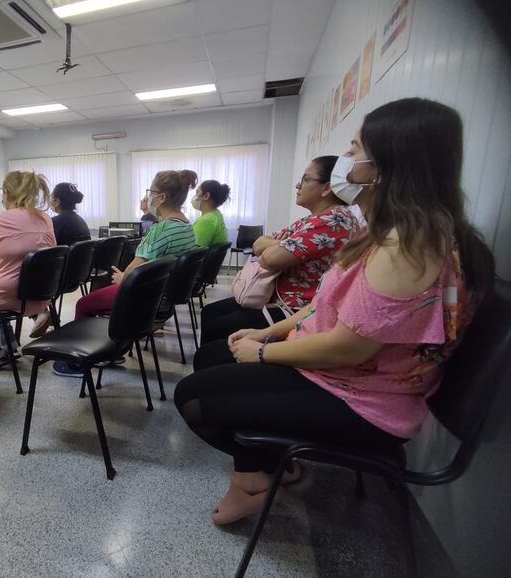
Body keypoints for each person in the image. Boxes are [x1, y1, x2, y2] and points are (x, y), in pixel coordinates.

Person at [174, 98, 494, 526]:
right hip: (341, 374)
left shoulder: (409, 248)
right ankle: (271, 466)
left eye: (354, 148)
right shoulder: (393, 233)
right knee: (216, 355)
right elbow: (323, 304)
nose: (345, 160)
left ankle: (254, 478)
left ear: (387, 163)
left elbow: (348, 347)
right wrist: (265, 335)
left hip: (364, 400)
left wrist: (265, 352)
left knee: (194, 396)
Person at [53, 169, 199, 377]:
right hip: (162, 298)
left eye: (151, 192)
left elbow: (131, 274)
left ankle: (77, 362)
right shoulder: (186, 226)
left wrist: (122, 277)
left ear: (162, 197)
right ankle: (113, 350)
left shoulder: (161, 229)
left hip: (145, 299)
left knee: (83, 304)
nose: (149, 197)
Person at [200, 156, 359, 344]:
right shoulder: (311, 220)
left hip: (292, 310)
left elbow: (268, 259)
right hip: (274, 297)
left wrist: (280, 245)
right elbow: (258, 244)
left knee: (214, 330)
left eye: (306, 179)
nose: (298, 186)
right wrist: (282, 245)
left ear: (327, 188)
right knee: (210, 312)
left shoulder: (333, 221)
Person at [0, 171, 56, 368]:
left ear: (7, 193)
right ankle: (9, 344)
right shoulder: (45, 218)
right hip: (39, 298)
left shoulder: (0, 221)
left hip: (9, 298)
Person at [191, 180, 230, 247]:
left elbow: (192, 250)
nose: (195, 196)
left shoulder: (206, 221)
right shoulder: (217, 215)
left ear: (206, 196)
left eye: (197, 192)